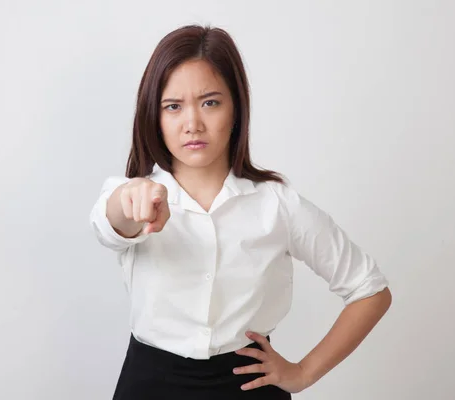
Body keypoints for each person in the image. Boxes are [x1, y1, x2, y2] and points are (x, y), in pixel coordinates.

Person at [90, 24, 392, 400]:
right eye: (173, 106)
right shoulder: (129, 193)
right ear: (155, 115)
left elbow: (370, 289)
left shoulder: (277, 204)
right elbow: (110, 224)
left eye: (210, 102)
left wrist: (302, 373)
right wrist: (130, 200)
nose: (192, 124)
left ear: (236, 109)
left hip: (247, 386)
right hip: (150, 385)